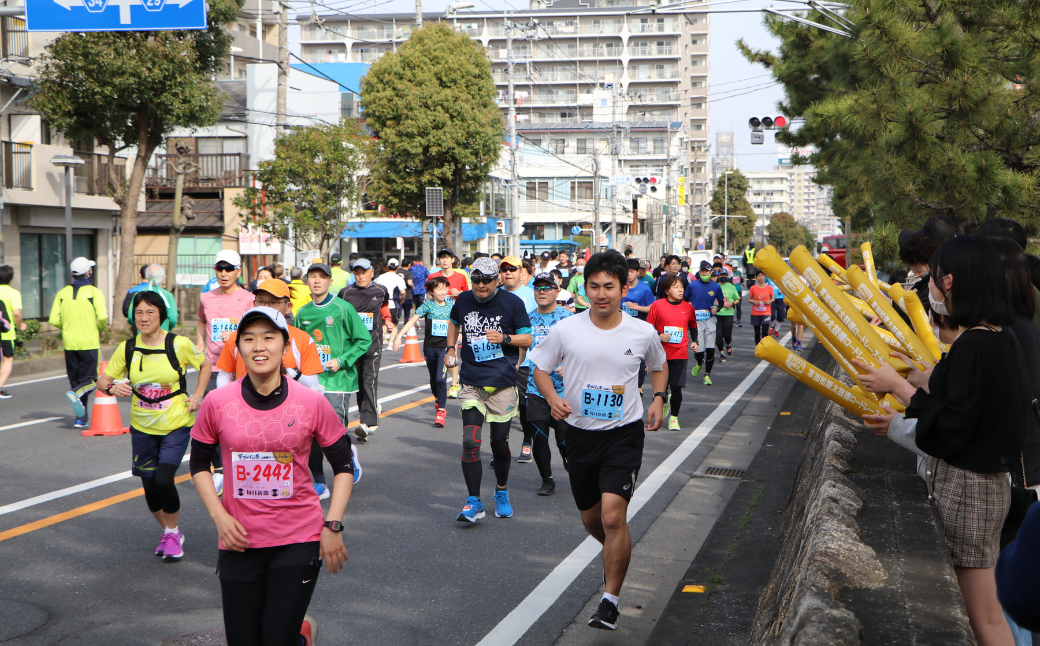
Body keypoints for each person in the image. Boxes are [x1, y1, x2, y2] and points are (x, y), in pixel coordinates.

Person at [855, 235, 1026, 646]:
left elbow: (951, 426)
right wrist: (919, 379)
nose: (928, 288)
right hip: (990, 485)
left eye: (931, 279)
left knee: (983, 619)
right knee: (984, 614)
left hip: (968, 490)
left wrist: (897, 386)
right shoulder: (998, 336)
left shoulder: (972, 345)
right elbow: (967, 401)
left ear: (949, 282)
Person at [189, 307, 355, 646]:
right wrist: (219, 517)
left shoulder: (311, 402)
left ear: (286, 346)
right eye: (249, 339)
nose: (259, 347)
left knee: (276, 638)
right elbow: (199, 464)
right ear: (238, 348)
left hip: (298, 539)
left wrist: (333, 524)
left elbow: (343, 466)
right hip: (238, 539)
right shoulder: (217, 402)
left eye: (269, 337)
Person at [529, 249, 667, 631]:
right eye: (594, 286)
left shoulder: (641, 331)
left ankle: (609, 602)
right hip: (579, 435)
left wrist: (658, 398)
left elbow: (659, 365)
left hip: (623, 434)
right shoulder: (567, 329)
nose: (601, 294)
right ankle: (616, 552)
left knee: (612, 517)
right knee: (592, 519)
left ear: (624, 288)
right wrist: (552, 398)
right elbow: (539, 368)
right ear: (584, 288)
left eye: (609, 286)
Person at [96, 291, 210, 562]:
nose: (144, 318)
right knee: (149, 485)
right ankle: (171, 531)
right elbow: (102, 381)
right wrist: (112, 388)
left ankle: (171, 533)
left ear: (161, 315)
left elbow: (205, 364)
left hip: (175, 424)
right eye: (139, 313)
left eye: (150, 312)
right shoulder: (128, 348)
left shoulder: (178, 344)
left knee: (163, 480)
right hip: (142, 427)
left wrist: (198, 395)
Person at [212, 279, 339, 499]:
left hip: (289, 414)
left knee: (289, 472)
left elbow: (314, 386)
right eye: (261, 301)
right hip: (246, 412)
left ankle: (316, 482)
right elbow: (225, 373)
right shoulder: (237, 337)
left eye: (273, 302)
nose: (266, 307)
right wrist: (227, 403)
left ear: (288, 307)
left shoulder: (301, 339)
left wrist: (292, 373)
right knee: (252, 477)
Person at [444, 257, 532, 523]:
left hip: (502, 384)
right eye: (476, 280)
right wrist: (450, 348)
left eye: (487, 280)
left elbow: (527, 338)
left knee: (498, 446)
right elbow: (453, 322)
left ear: (497, 280)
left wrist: (505, 338)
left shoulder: (512, 302)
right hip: (472, 382)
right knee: (470, 442)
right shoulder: (463, 300)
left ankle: (501, 491)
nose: (481, 285)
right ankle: (474, 501)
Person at [298, 263, 372, 442]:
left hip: (337, 379)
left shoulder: (343, 308)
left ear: (330, 282)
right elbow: (296, 346)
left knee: (335, 431)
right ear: (306, 281)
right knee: (310, 431)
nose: (317, 281)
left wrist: (341, 361)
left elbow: (364, 340)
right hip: (310, 380)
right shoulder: (302, 313)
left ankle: (345, 457)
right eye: (313, 277)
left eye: (322, 277)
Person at [524, 273, 573, 496]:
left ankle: (570, 462)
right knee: (539, 437)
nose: (542, 291)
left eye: (547, 287)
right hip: (535, 387)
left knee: (564, 441)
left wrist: (568, 364)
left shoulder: (568, 319)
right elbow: (521, 348)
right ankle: (547, 480)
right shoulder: (527, 319)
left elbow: (581, 349)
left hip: (564, 389)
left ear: (557, 290)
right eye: (538, 288)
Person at [50, 257, 107, 429]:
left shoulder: (62, 293)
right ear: (88, 273)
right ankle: (75, 395)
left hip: (69, 342)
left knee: (76, 380)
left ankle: (80, 418)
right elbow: (102, 317)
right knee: (90, 380)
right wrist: (99, 328)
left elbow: (53, 319)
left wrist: (67, 326)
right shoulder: (94, 292)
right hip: (89, 341)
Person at [338, 258, 392, 442]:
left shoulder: (381, 290)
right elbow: (339, 315)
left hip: (372, 344)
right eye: (357, 273)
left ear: (372, 273)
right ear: (354, 274)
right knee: (358, 383)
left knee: (369, 381)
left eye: (364, 273)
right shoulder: (345, 293)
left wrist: (388, 319)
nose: (361, 276)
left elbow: (384, 306)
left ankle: (366, 424)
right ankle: (371, 409)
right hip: (352, 347)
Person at [389, 276, 453, 427]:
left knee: (440, 379)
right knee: (433, 378)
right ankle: (438, 400)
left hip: (444, 348)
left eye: (445, 288)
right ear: (431, 291)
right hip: (429, 347)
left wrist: (460, 335)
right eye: (439, 289)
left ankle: (441, 411)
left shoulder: (451, 306)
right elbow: (412, 320)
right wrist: (399, 336)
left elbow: (457, 323)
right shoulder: (427, 306)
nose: (443, 292)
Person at [499, 256, 537, 463]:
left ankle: (527, 442)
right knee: (500, 404)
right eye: (504, 269)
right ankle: (500, 448)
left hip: (525, 360)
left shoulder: (531, 295)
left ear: (521, 272)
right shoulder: (494, 294)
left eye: (513, 269)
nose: (508, 272)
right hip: (499, 358)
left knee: (524, 404)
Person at [647, 274, 697, 431]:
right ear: (667, 290)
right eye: (676, 287)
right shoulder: (657, 305)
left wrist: (695, 341)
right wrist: (659, 335)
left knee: (676, 387)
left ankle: (674, 418)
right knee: (662, 389)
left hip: (680, 353)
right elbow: (648, 327)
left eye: (681, 287)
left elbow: (693, 325)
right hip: (660, 354)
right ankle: (663, 402)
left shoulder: (688, 308)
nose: (680, 290)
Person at [684, 261, 725, 386]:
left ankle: (707, 375)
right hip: (696, 321)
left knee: (710, 349)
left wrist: (717, 309)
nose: (704, 273)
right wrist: (688, 306)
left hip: (710, 319)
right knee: (699, 351)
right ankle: (700, 362)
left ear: (711, 272)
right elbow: (685, 298)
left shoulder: (716, 287)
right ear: (699, 272)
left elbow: (721, 302)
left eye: (706, 271)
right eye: (702, 271)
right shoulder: (693, 285)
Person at [121, 264, 179, 332]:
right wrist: (166, 327)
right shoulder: (167, 295)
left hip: (142, 335)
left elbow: (131, 318)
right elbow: (173, 318)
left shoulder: (138, 294)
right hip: (162, 334)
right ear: (162, 277)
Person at [0, 265, 26, 399]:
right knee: (7, 360)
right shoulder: (14, 293)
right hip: (6, 333)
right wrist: (20, 325)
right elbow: (16, 313)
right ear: (11, 279)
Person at [716, 266, 740, 361]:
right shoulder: (715, 286)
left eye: (724, 275)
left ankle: (728, 344)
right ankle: (722, 353)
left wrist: (732, 303)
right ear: (718, 276)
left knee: (727, 334)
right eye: (721, 275)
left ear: (727, 276)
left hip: (728, 314)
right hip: (717, 314)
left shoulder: (731, 286)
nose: (723, 277)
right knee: (718, 335)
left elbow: (737, 299)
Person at [375, 259, 406, 332]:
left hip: (382, 303)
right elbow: (403, 292)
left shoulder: (381, 277)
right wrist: (402, 299)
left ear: (387, 267)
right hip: (393, 303)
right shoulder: (399, 278)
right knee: (394, 324)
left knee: (383, 323)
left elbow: (376, 288)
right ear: (397, 267)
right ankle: (392, 339)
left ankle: (383, 337)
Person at [748, 272, 773, 345]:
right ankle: (758, 347)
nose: (760, 277)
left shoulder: (769, 288)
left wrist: (770, 301)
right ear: (756, 277)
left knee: (765, 332)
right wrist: (754, 301)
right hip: (755, 313)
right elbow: (749, 299)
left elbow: (773, 298)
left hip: (766, 313)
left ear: (765, 277)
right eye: (758, 276)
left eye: (762, 275)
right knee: (757, 332)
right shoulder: (753, 288)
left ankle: (764, 347)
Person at [398, 257, 416, 322]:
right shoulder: (409, 273)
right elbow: (409, 282)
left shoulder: (397, 272)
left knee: (397, 314)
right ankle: (406, 326)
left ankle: (395, 326)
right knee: (407, 314)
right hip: (407, 296)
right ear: (409, 265)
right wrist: (413, 287)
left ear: (401, 264)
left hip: (397, 295)